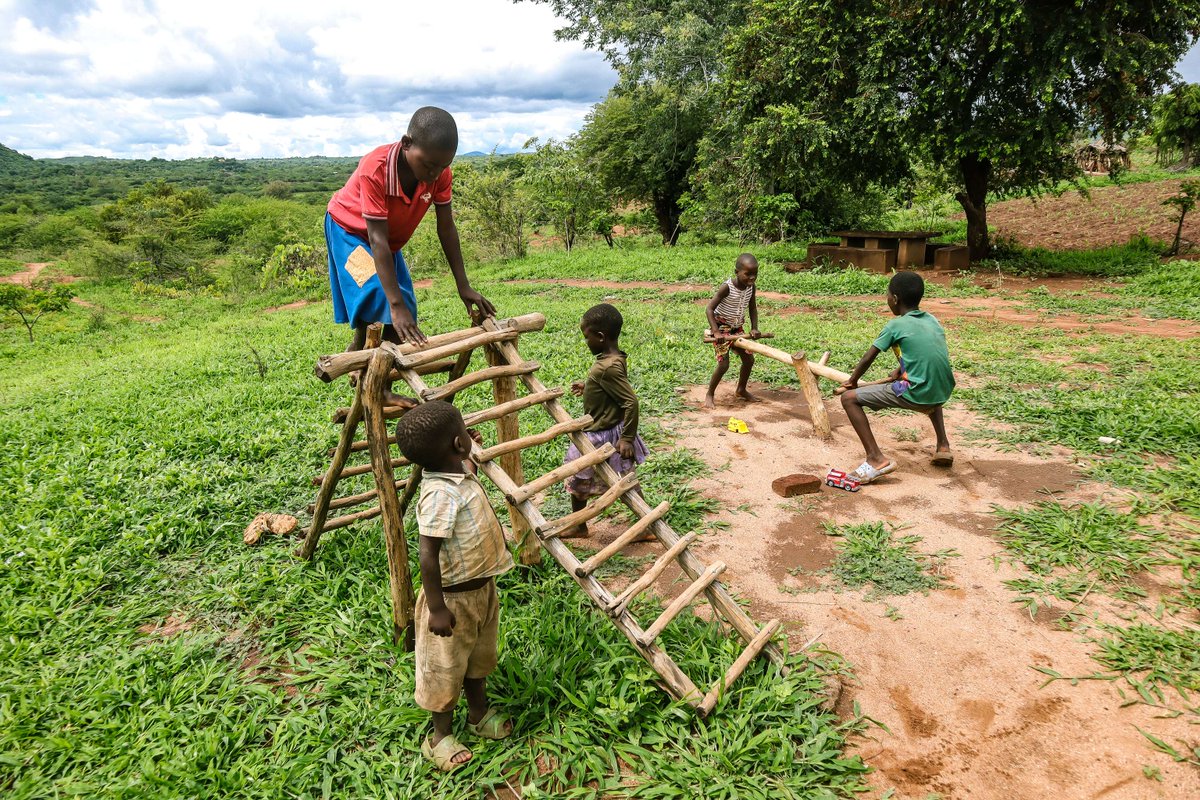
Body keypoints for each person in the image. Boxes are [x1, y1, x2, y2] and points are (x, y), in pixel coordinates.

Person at [325, 107, 495, 402]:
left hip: (386, 239)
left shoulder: (439, 173)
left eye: (442, 167)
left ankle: (361, 351)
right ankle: (378, 387)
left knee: (406, 306)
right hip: (350, 232)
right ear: (406, 143)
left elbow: (446, 228)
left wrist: (463, 285)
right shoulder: (376, 169)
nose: (434, 174)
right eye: (428, 165)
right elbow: (376, 238)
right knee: (383, 296)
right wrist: (394, 304)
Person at [393, 401, 514, 772]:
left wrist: (470, 451)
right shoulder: (438, 496)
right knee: (444, 670)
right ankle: (439, 737)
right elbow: (427, 555)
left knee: (478, 660)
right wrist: (437, 608)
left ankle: (478, 715)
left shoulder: (457, 471)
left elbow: (467, 469)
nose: (468, 436)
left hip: (482, 592)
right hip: (451, 602)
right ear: (458, 444)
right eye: (465, 432)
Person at [839, 271, 955, 484]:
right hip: (942, 390)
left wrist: (853, 380)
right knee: (929, 383)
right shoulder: (932, 320)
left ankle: (875, 458)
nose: (887, 299)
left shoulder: (895, 325)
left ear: (895, 299)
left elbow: (868, 357)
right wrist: (901, 370)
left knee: (849, 399)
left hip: (916, 393)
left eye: (887, 295)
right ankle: (943, 446)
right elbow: (925, 355)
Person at [562, 303, 649, 539]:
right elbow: (613, 388)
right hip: (605, 428)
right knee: (616, 480)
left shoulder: (607, 368)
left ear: (600, 337)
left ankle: (645, 526)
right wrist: (590, 386)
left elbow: (631, 402)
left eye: (586, 337)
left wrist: (627, 438)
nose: (586, 341)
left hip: (601, 434)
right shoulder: (613, 359)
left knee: (590, 478)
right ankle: (579, 525)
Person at [704, 253, 763, 409]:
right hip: (722, 327)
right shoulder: (727, 287)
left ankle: (741, 389)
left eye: (755, 274)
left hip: (737, 328)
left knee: (749, 360)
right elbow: (709, 309)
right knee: (724, 365)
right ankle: (710, 393)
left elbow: (752, 308)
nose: (752, 278)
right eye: (748, 274)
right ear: (737, 272)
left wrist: (754, 328)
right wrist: (716, 332)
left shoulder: (751, 287)